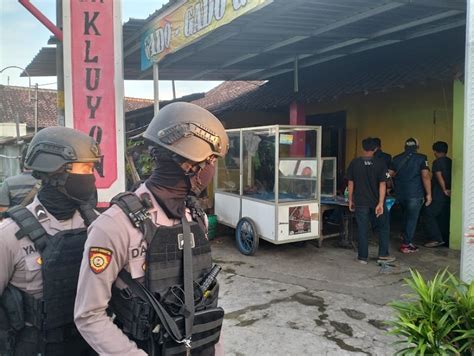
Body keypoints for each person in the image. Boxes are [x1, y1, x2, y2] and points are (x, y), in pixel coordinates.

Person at [74, 102, 228, 356]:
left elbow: (204, 298)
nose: (213, 168)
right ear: (190, 166)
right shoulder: (114, 225)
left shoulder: (195, 217)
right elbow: (89, 315)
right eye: (210, 159)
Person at [0, 126, 101, 355]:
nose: (91, 176)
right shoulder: (9, 234)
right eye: (86, 168)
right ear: (57, 173)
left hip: (89, 345)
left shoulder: (95, 224)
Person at [347, 137, 394, 265]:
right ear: (375, 149)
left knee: (362, 228)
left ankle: (362, 257)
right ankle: (383, 255)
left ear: (363, 148)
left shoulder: (355, 163)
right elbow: (383, 184)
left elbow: (350, 183)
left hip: (361, 201)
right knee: (383, 227)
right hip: (376, 202)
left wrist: (350, 200)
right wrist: (380, 203)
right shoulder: (380, 163)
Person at [389, 138, 431, 254]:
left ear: (405, 146)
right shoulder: (422, 158)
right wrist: (429, 194)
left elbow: (389, 175)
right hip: (415, 194)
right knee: (412, 219)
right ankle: (406, 245)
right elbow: (425, 176)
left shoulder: (396, 158)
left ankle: (405, 236)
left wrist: (389, 187)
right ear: (417, 147)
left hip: (400, 195)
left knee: (405, 216)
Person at [424, 141, 452, 247]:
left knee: (428, 213)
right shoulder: (450, 161)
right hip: (449, 194)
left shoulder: (437, 162)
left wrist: (444, 189)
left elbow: (439, 175)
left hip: (439, 193)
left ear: (435, 151)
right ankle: (445, 239)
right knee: (443, 217)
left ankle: (436, 238)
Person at [0, 146, 40, 217]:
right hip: (45, 224)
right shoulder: (50, 181)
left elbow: (3, 211)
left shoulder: (8, 183)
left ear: (22, 160)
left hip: (18, 225)